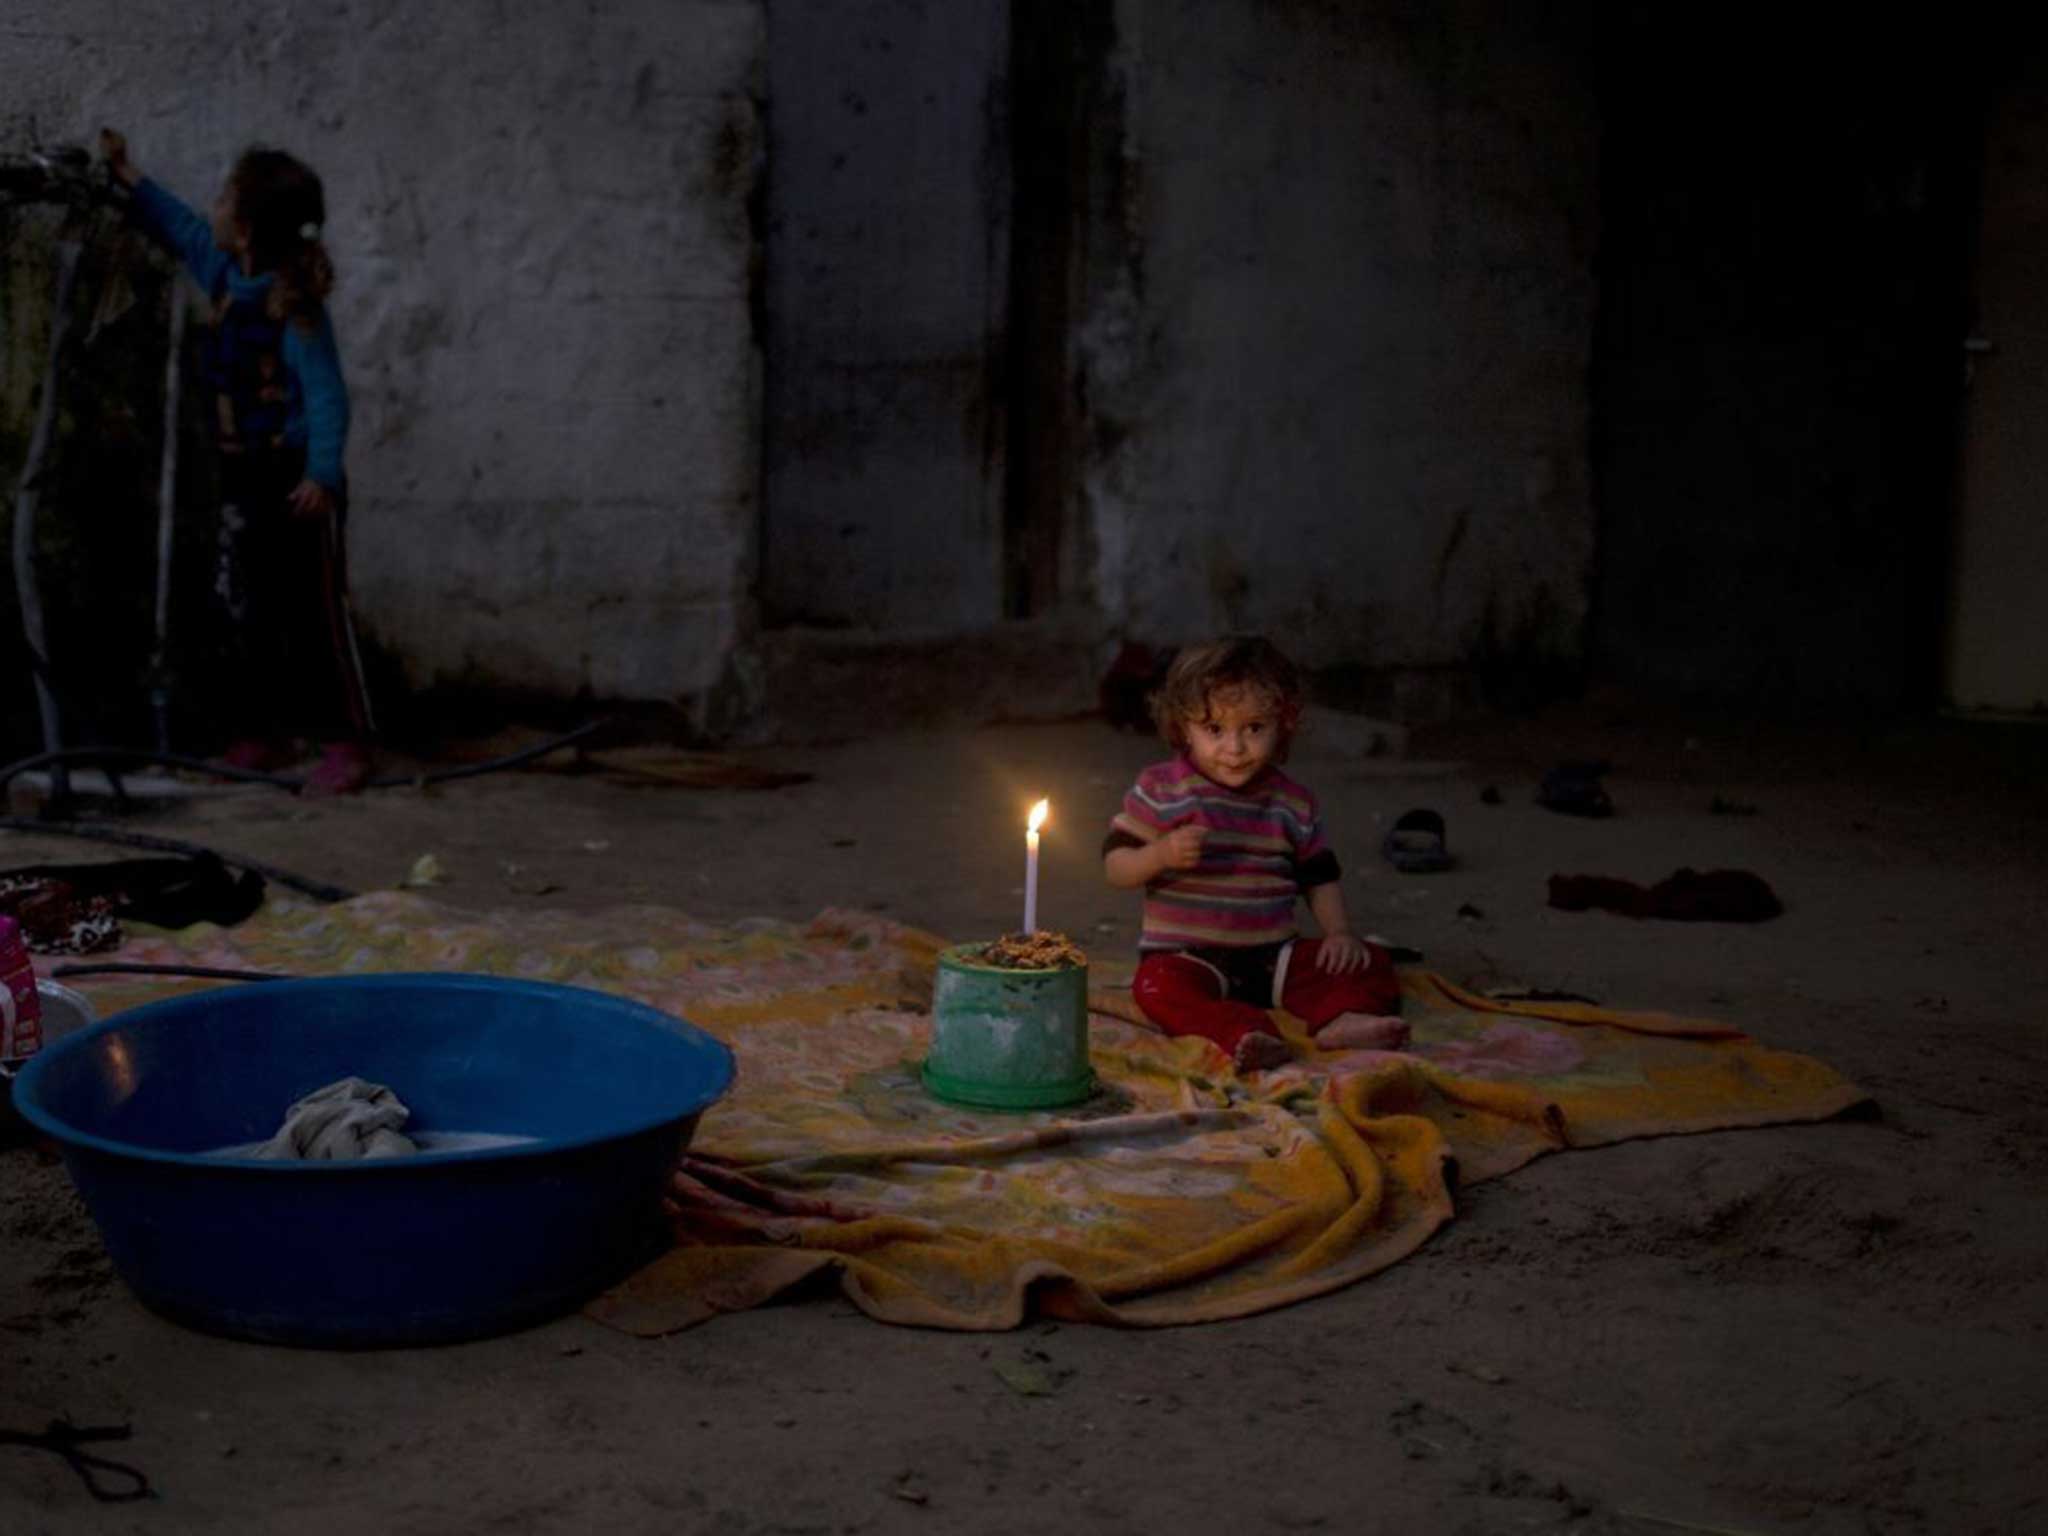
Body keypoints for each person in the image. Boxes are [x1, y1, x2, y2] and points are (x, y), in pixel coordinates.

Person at [99, 128, 374, 795]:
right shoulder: (224, 275)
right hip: (242, 479)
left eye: (224, 197)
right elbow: (181, 226)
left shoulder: (296, 311)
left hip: (298, 485)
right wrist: (128, 177)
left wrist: (323, 474)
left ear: (246, 228)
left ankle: (349, 741)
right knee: (243, 607)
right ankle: (263, 733)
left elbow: (328, 397)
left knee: (315, 619)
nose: (212, 207)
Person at [1102, 635, 1410, 1072]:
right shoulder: (1161, 789)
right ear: (1183, 727)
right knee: (1154, 989)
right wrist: (1159, 855)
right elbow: (1116, 867)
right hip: (1187, 956)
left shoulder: (1293, 803)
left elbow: (1319, 876)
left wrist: (1340, 932)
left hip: (1273, 955)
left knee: (1369, 960)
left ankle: (1343, 1019)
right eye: (1214, 729)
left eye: (1254, 728)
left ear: (1283, 724)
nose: (1235, 748)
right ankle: (1244, 1032)